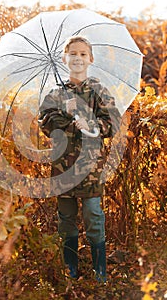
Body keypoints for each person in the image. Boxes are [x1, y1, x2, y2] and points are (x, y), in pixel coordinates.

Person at [38, 36, 121, 281]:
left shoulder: (99, 91)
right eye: (73, 53)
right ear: (65, 58)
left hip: (91, 167)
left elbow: (113, 124)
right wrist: (68, 116)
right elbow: (45, 123)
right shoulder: (56, 93)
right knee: (66, 218)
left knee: (93, 215)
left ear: (90, 59)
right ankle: (70, 268)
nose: (78, 58)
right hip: (63, 166)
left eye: (83, 54)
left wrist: (90, 121)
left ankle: (100, 271)